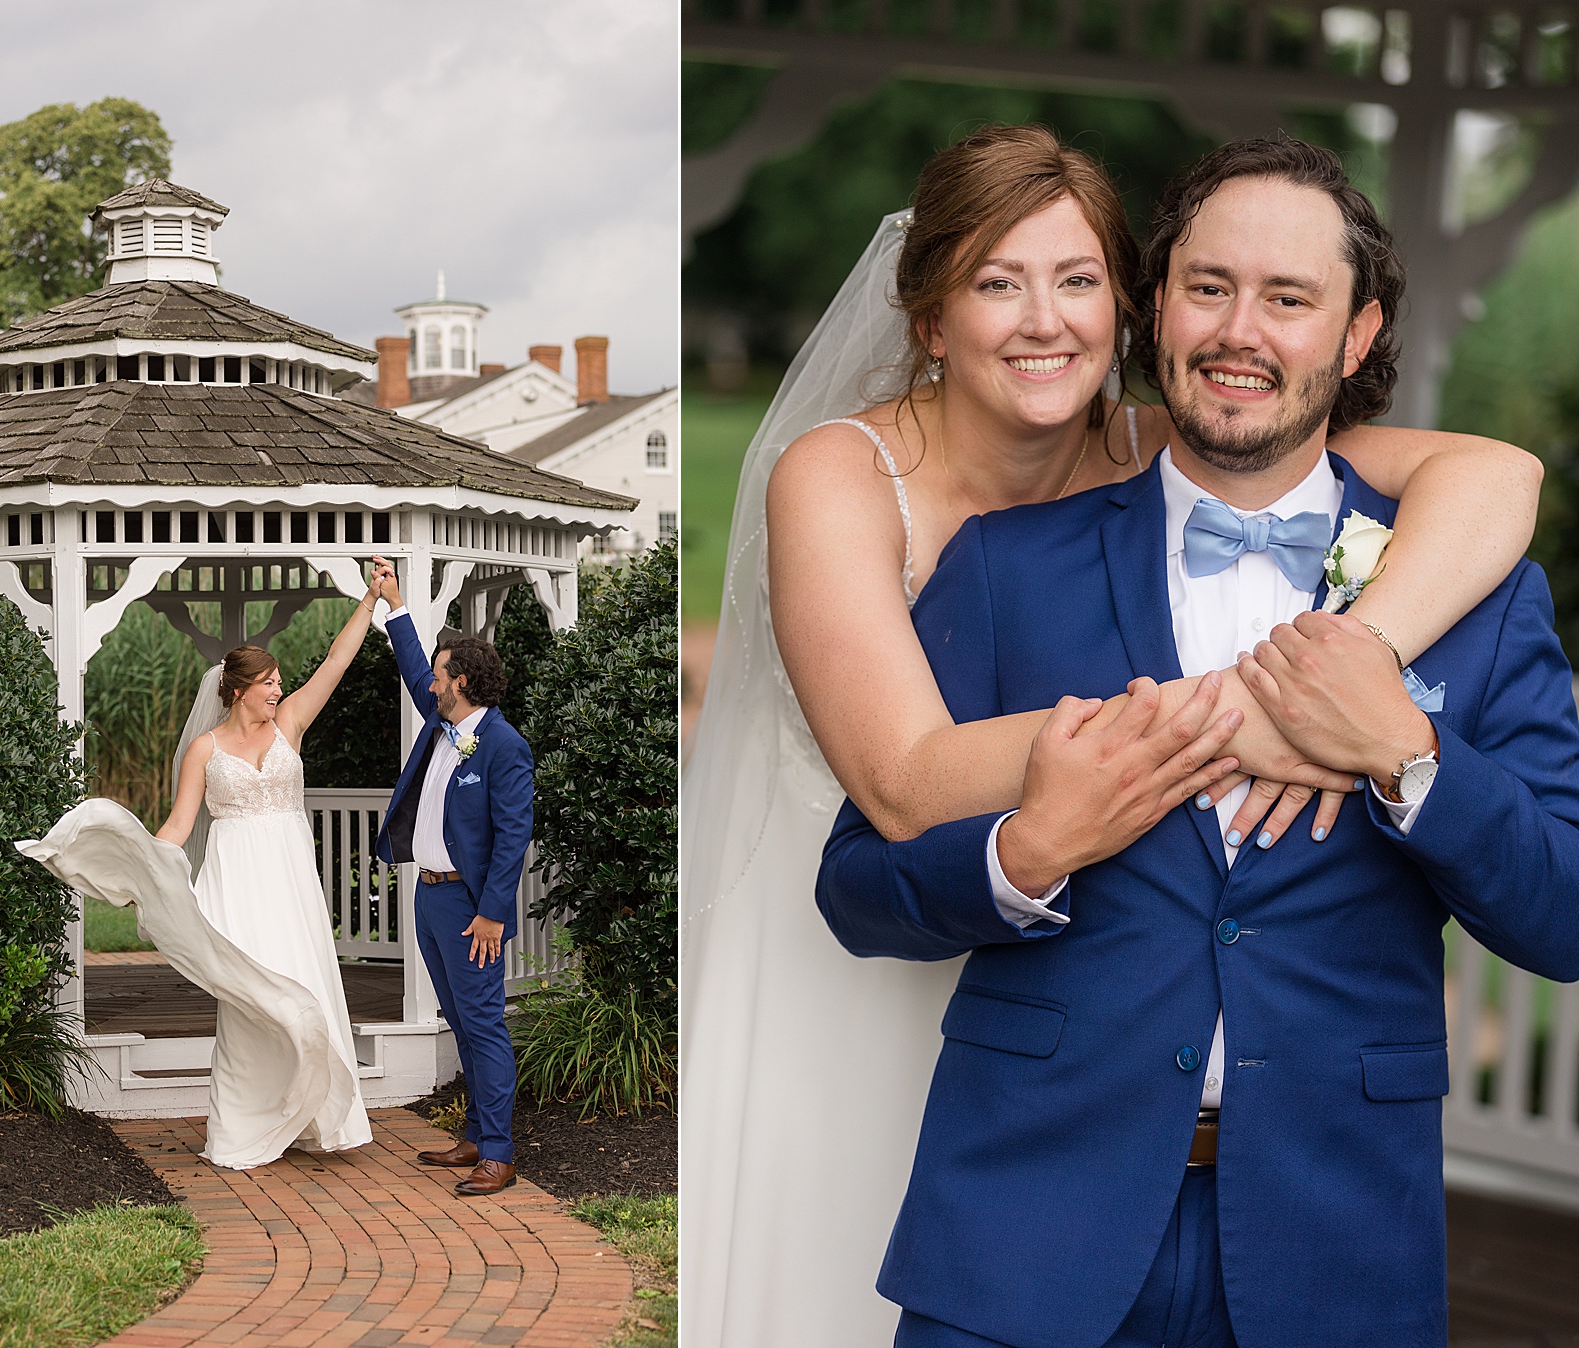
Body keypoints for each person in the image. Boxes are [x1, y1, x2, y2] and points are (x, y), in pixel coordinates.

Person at [679, 126, 1545, 1347]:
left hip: (1322, 1226)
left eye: (1076, 279)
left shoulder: (1184, 444)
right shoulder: (870, 490)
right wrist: (1245, 723)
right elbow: (901, 784)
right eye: (995, 280)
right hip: (985, 1105)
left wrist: (1382, 712)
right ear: (930, 319)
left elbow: (1498, 473)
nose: (1045, 320)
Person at [22, 562, 393, 1170]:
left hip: (289, 874)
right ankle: (246, 1125)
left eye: (278, 682)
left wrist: (370, 599)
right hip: (238, 874)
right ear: (238, 689)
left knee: (304, 981)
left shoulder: (292, 724)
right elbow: (178, 825)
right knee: (250, 999)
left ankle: (317, 1115)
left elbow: (336, 661)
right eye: (268, 682)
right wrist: (153, 873)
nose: (278, 689)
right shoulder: (204, 748)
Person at [370, 558, 534, 1198]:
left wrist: (493, 912)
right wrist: (396, 603)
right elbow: (415, 668)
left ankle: (498, 1151)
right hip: (429, 898)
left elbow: (512, 836)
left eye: (440, 676)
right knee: (462, 1021)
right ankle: (473, 1133)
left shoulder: (502, 745)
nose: (430, 685)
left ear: (460, 682)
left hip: (472, 908)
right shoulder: (442, 723)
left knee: (484, 1022)